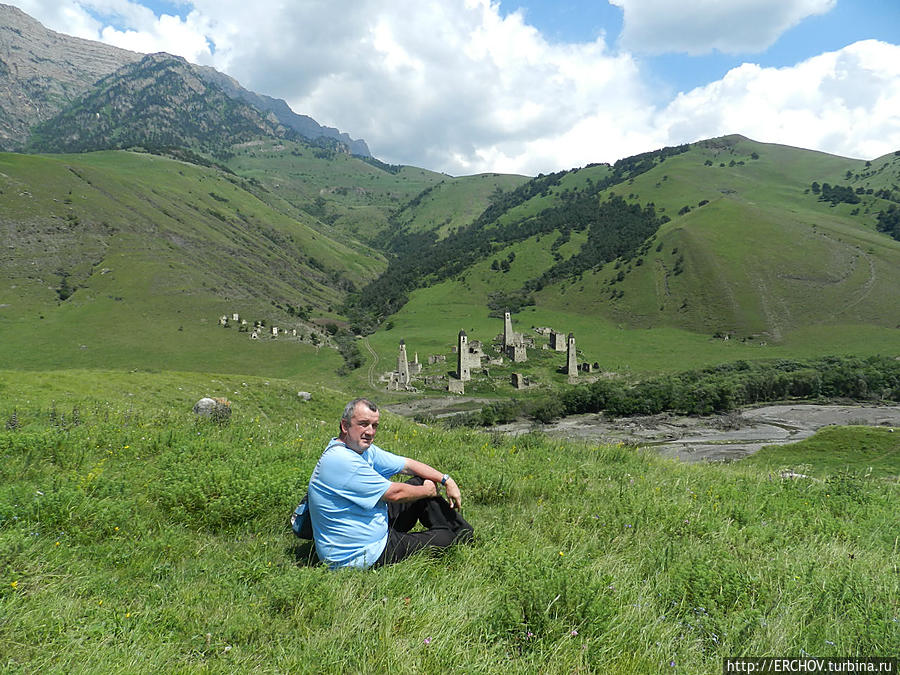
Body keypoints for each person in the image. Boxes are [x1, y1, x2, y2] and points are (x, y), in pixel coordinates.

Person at [306, 397, 473, 570]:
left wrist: (446, 480)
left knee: (419, 481)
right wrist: (428, 491)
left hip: (368, 525)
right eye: (363, 424)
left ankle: (464, 533)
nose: (370, 432)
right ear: (345, 426)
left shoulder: (361, 449)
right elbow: (395, 494)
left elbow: (407, 464)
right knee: (446, 538)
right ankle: (458, 537)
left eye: (374, 425)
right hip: (359, 554)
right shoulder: (341, 460)